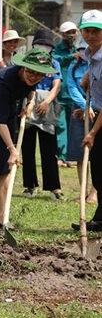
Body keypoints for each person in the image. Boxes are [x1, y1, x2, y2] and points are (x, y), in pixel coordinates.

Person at [0, 48, 52, 234]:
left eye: (38, 74)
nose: (33, 76)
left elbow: (30, 91)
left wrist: (30, 104)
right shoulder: (4, 81)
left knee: (5, 168)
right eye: (30, 72)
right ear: (23, 67)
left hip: (7, 115)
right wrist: (12, 149)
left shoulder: (33, 79)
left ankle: (2, 216)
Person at [20, 28, 65, 201]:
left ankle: (54, 187)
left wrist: (47, 102)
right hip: (29, 100)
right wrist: (29, 103)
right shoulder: (28, 60)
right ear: (34, 45)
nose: (44, 47)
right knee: (27, 146)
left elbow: (56, 85)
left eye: (47, 45)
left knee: (48, 148)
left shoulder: (54, 64)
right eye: (40, 44)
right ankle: (30, 185)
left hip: (47, 103)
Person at [74, 10, 102, 232]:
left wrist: (92, 133)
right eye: (88, 31)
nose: (91, 35)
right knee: (99, 172)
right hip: (98, 113)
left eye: (97, 31)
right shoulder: (90, 55)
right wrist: (87, 78)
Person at [65, 38, 97, 203]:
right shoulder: (73, 67)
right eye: (82, 49)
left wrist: (91, 106)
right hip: (79, 111)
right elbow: (71, 87)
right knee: (80, 153)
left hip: (97, 111)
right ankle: (83, 191)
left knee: (97, 155)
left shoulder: (97, 65)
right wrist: (84, 106)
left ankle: (94, 193)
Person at [54, 21, 80, 167]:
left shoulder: (77, 49)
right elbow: (56, 60)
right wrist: (71, 57)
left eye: (74, 32)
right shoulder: (57, 50)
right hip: (60, 94)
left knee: (73, 126)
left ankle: (70, 156)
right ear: (62, 34)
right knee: (62, 126)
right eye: (69, 32)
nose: (72, 35)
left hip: (74, 94)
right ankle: (62, 157)